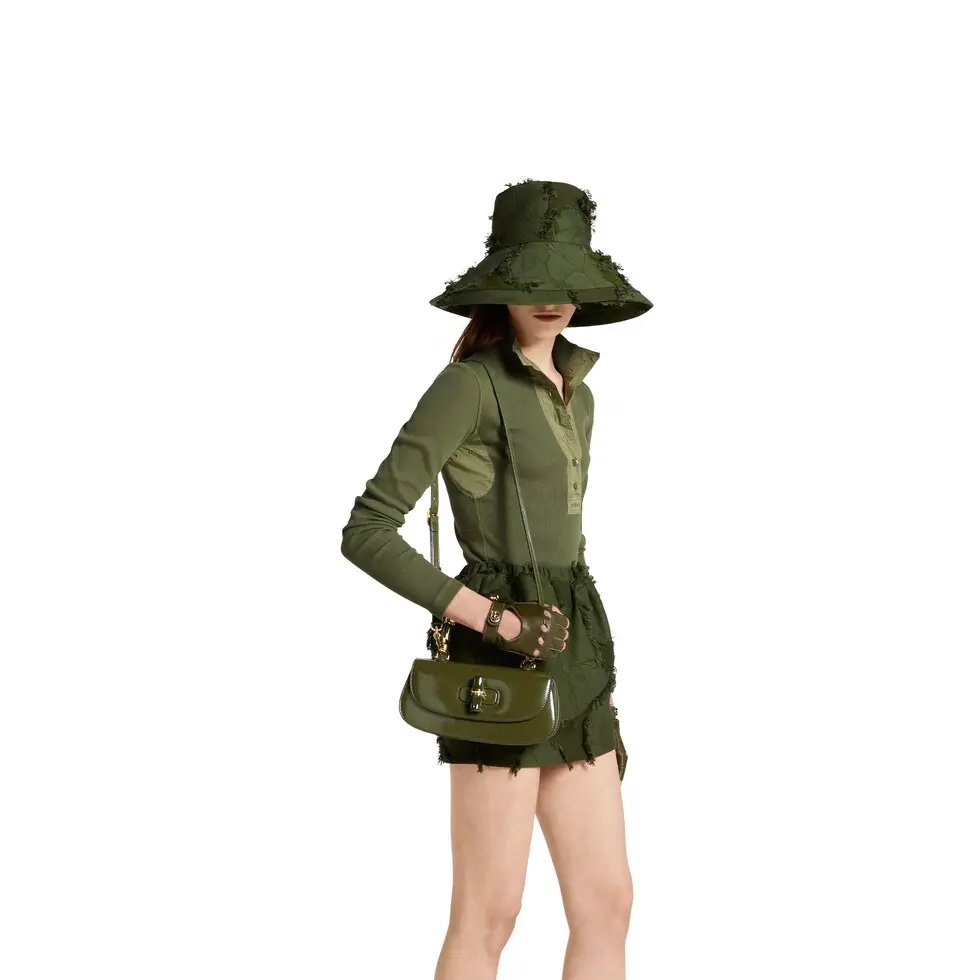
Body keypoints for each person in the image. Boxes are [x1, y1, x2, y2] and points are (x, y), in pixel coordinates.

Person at [340, 178, 653, 980]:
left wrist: (586, 660)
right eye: (532, 279)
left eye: (565, 279)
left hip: (577, 645)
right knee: (490, 911)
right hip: (498, 650)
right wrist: (491, 618)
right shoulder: (469, 386)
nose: (551, 297)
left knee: (607, 901)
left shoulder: (580, 393)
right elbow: (367, 529)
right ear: (502, 286)